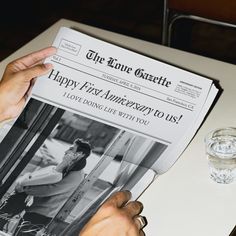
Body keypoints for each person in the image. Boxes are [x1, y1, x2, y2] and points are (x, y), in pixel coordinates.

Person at [0, 47, 147, 236]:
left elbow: (49, 189)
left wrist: (3, 108)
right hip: (35, 211)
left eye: (71, 149)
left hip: (38, 214)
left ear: (77, 154)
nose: (67, 151)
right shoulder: (67, 170)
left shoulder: (73, 174)